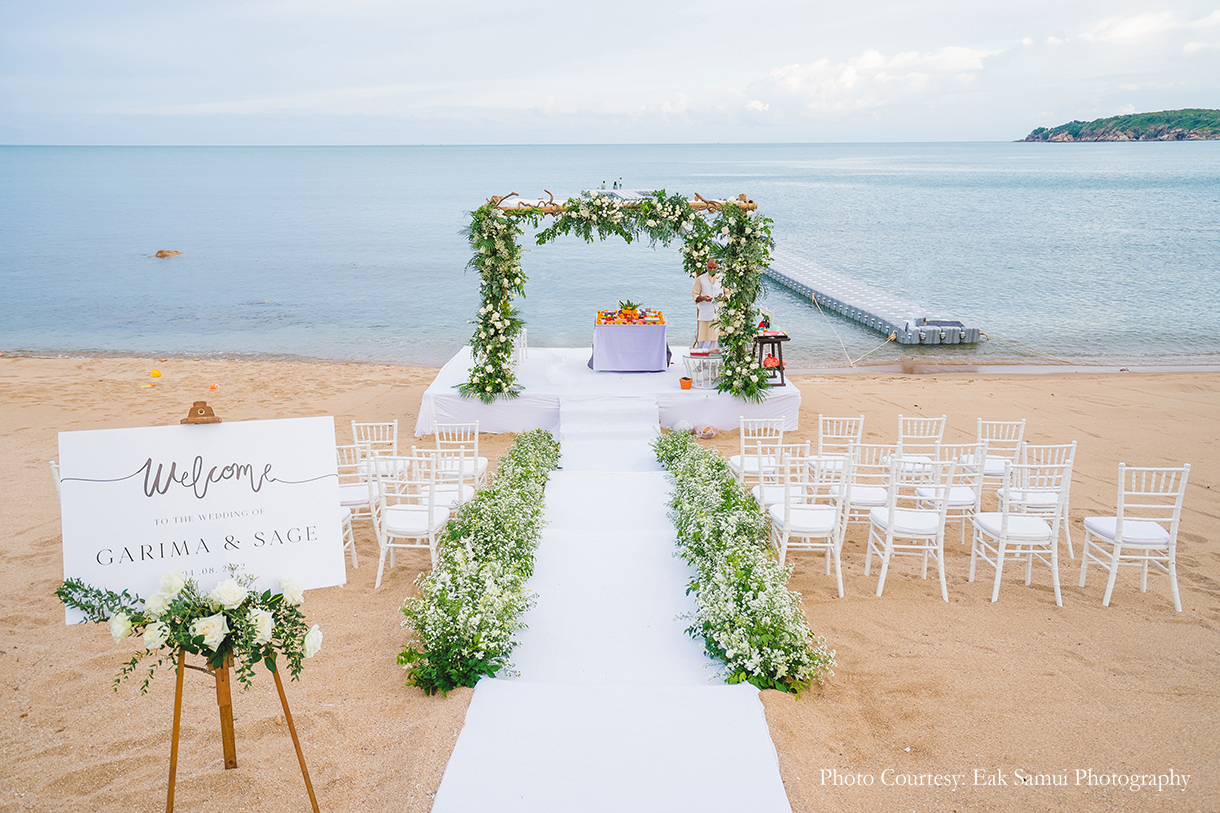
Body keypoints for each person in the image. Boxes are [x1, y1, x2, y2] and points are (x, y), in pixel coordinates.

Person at [691, 258, 724, 353]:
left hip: (719, 312)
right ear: (706, 266)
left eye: (714, 267)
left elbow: (728, 294)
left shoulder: (722, 278)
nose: (711, 270)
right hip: (705, 312)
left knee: (718, 336)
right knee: (705, 337)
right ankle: (704, 357)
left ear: (717, 267)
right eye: (709, 267)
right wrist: (703, 298)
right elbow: (695, 294)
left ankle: (718, 358)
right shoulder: (700, 279)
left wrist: (723, 298)